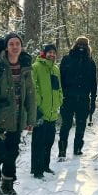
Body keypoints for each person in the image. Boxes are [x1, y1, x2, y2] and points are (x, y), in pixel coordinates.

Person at [0, 32, 36, 195]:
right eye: (11, 44)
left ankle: (8, 184)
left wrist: (30, 119)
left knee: (12, 153)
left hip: (17, 119)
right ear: (6, 47)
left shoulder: (25, 68)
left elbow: (30, 95)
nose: (15, 47)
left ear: (21, 46)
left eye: (17, 43)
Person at [58, 36, 98, 159]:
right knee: (66, 125)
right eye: (79, 45)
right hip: (68, 99)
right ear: (75, 45)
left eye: (84, 45)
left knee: (81, 125)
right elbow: (61, 80)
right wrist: (61, 97)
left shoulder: (90, 62)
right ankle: (62, 151)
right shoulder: (66, 59)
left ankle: (77, 148)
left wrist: (92, 102)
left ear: (87, 47)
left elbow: (93, 84)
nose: (81, 47)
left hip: (83, 99)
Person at [31, 43, 63, 179]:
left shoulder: (55, 69)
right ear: (44, 53)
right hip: (40, 112)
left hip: (52, 113)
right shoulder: (36, 67)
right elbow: (33, 87)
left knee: (49, 141)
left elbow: (59, 88)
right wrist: (39, 103)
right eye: (49, 52)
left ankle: (45, 166)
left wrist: (59, 100)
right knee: (38, 142)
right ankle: (36, 170)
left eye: (53, 53)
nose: (51, 54)